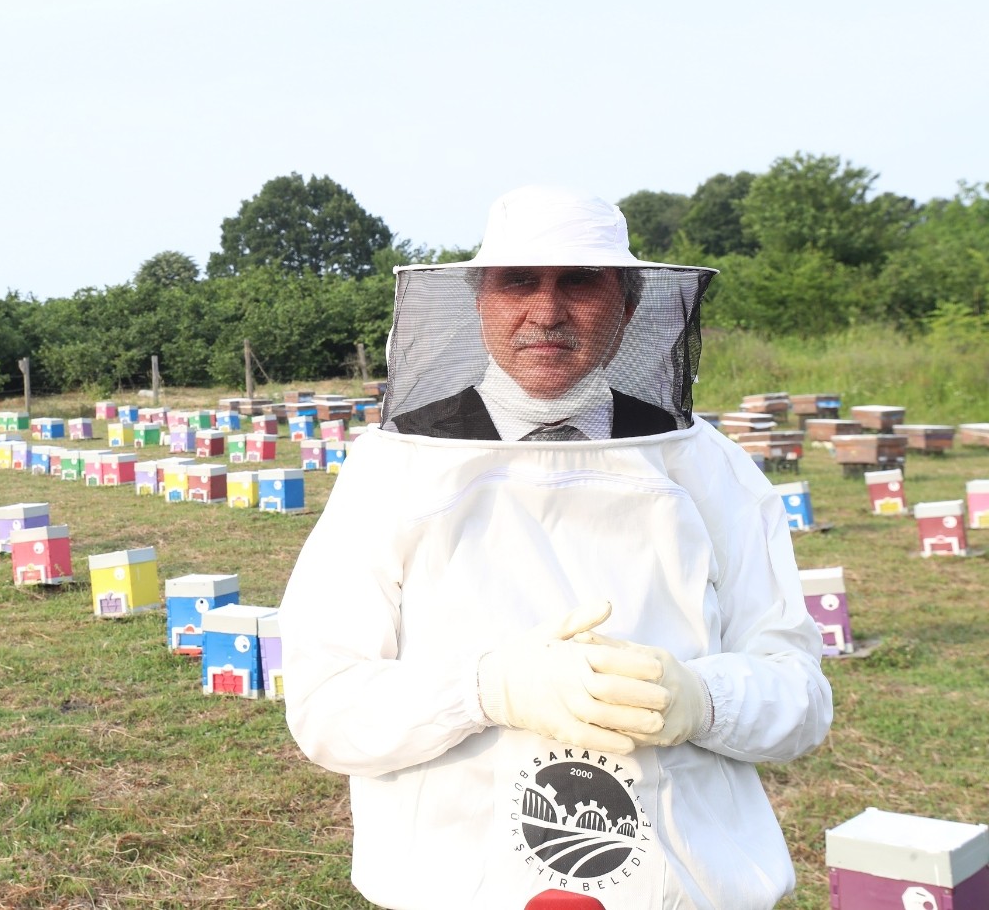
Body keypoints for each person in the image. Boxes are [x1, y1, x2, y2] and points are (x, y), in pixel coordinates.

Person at [280, 186, 832, 909]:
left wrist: (705, 700)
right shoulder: (394, 467)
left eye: (579, 282)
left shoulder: (706, 465)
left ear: (626, 308)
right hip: (456, 884)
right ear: (481, 301)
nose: (547, 311)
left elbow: (800, 695)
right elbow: (326, 706)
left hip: (678, 886)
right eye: (518, 282)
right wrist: (486, 689)